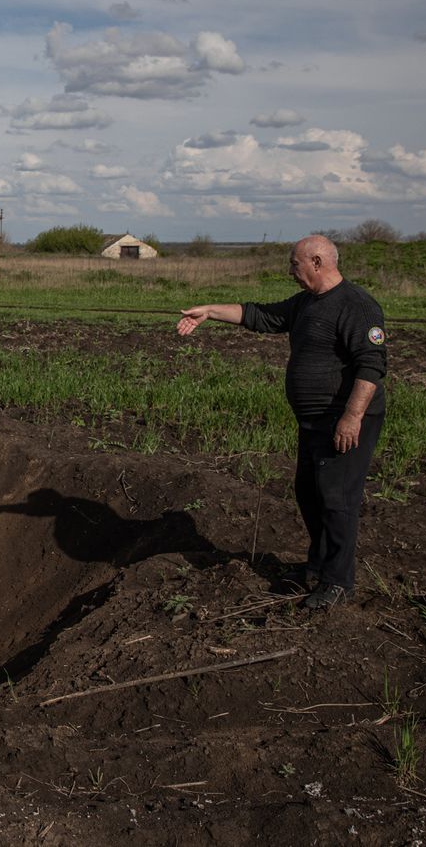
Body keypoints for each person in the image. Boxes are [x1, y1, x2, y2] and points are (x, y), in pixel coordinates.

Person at [176, 235, 387, 610]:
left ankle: (338, 583)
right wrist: (209, 310)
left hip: (344, 420)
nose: (290, 271)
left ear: (317, 262)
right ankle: (318, 567)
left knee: (337, 500)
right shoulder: (307, 303)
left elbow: (371, 366)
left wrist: (351, 417)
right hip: (312, 421)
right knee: (309, 492)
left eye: (294, 264)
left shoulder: (357, 306)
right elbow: (260, 315)